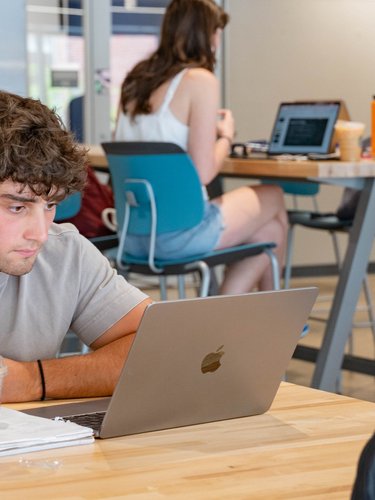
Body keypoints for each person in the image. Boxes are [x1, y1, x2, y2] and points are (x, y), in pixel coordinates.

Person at [115, 0, 288, 294]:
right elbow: (204, 171)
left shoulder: (135, 81)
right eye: (217, 33)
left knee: (270, 231)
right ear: (207, 35)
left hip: (132, 232)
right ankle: (276, 324)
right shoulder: (200, 80)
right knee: (273, 194)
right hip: (178, 233)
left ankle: (225, 324)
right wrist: (226, 137)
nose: (217, 42)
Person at [0, 90, 151, 403]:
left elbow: (160, 346)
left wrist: (34, 380)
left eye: (51, 204)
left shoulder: (64, 253)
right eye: (18, 208)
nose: (40, 234)